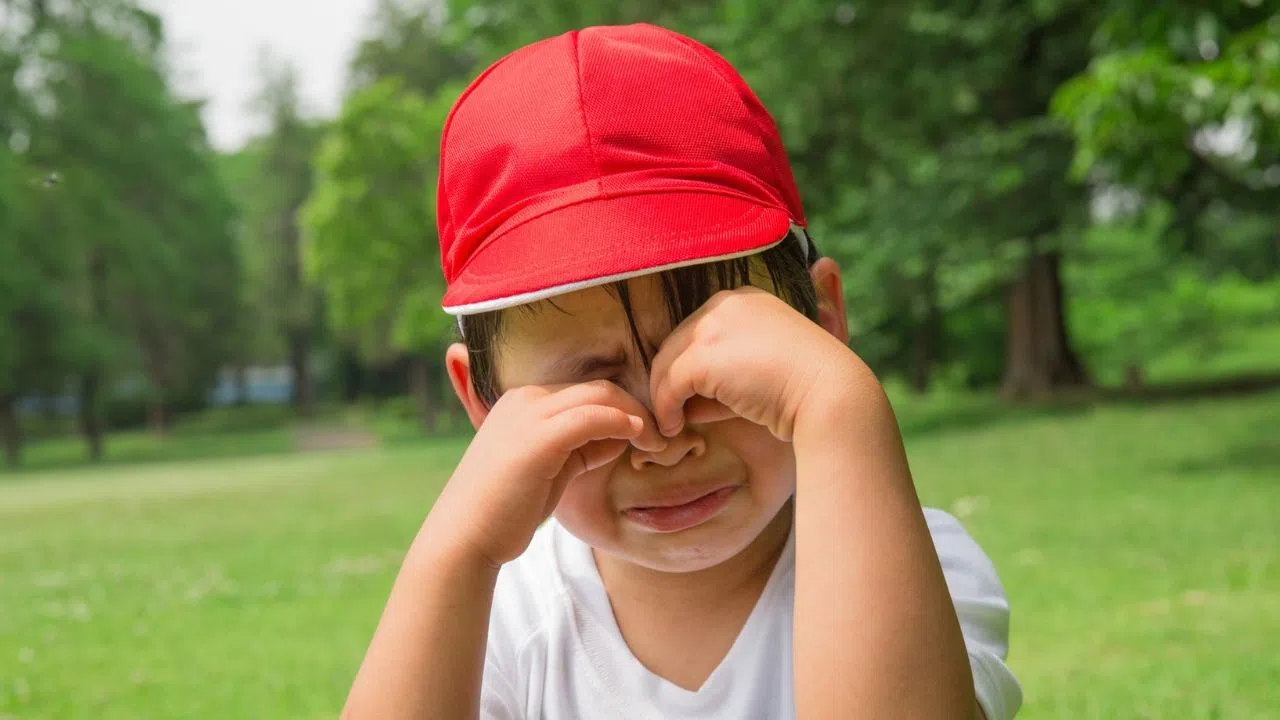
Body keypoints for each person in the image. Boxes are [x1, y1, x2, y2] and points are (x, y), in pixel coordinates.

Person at [341, 23, 1022, 720]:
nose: (664, 436)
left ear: (821, 324)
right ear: (484, 403)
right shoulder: (506, 617)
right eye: (591, 384)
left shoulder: (913, 564)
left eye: (713, 371)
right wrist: (456, 555)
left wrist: (836, 405)